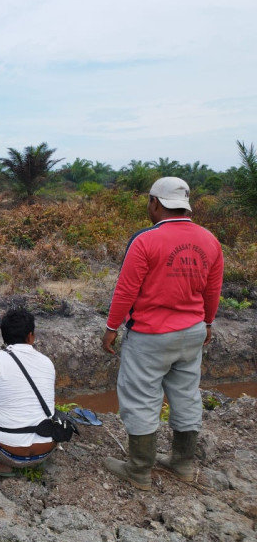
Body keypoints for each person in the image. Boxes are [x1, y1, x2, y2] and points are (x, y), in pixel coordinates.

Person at [101, 177, 224, 490]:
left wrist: (111, 327)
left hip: (150, 336)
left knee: (141, 398)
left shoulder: (145, 240)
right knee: (186, 395)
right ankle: (183, 464)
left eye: (149, 202)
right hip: (193, 332)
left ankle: (139, 469)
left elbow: (126, 289)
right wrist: (208, 322)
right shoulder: (210, 240)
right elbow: (213, 290)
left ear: (155, 202)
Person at [0, 308, 57, 476]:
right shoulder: (47, 362)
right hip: (45, 451)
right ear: (30, 336)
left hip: (9, 453)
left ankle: (1, 462)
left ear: (4, 337)